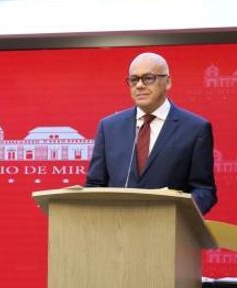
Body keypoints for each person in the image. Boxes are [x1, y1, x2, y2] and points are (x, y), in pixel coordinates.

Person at [85, 52, 216, 214]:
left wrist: (180, 214)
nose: (139, 85)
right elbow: (94, 185)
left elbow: (204, 190)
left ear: (167, 82)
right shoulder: (109, 127)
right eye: (133, 79)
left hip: (169, 230)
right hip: (116, 230)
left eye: (148, 78)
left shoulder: (195, 129)